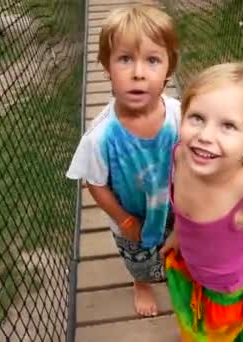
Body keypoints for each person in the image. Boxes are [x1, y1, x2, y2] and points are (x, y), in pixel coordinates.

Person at [160, 62, 243, 341]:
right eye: (196, 117)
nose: (205, 136)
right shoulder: (181, 157)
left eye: (228, 125)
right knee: (191, 327)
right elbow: (184, 208)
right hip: (188, 269)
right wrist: (177, 235)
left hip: (227, 291)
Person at [66, 4, 180, 317]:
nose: (138, 72)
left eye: (152, 60)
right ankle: (141, 284)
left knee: (178, 245)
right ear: (107, 68)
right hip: (129, 216)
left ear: (169, 70)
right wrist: (125, 220)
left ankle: (174, 267)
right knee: (139, 259)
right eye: (125, 59)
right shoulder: (101, 137)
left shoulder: (180, 117)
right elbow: (95, 183)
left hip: (174, 207)